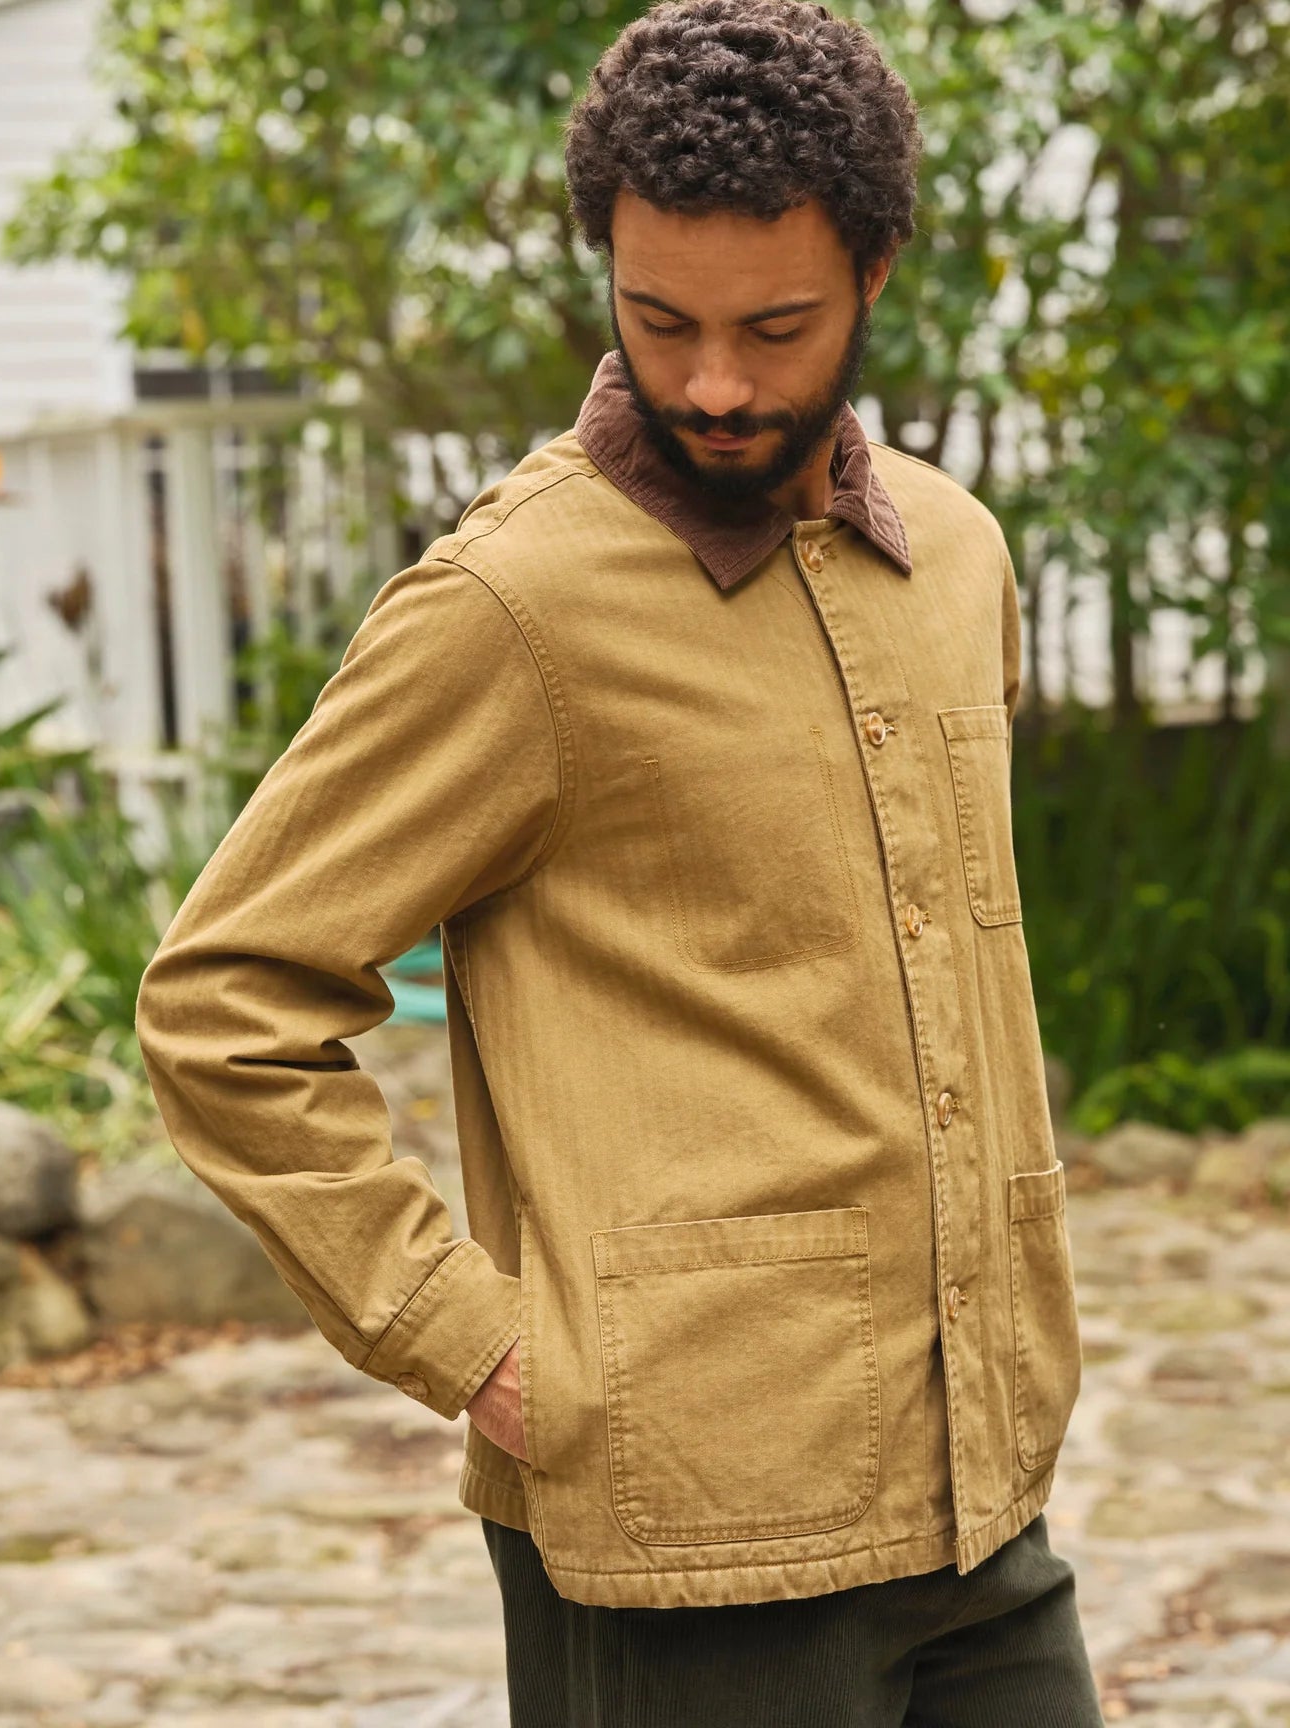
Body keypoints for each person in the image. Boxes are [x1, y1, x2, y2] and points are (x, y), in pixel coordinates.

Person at [135, 2, 1103, 1722]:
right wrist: (468, 1340)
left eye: (774, 328)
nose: (715, 384)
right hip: (686, 1529)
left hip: (984, 1491)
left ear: (874, 272)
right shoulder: (513, 607)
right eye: (661, 322)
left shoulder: (954, 556)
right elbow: (224, 1004)